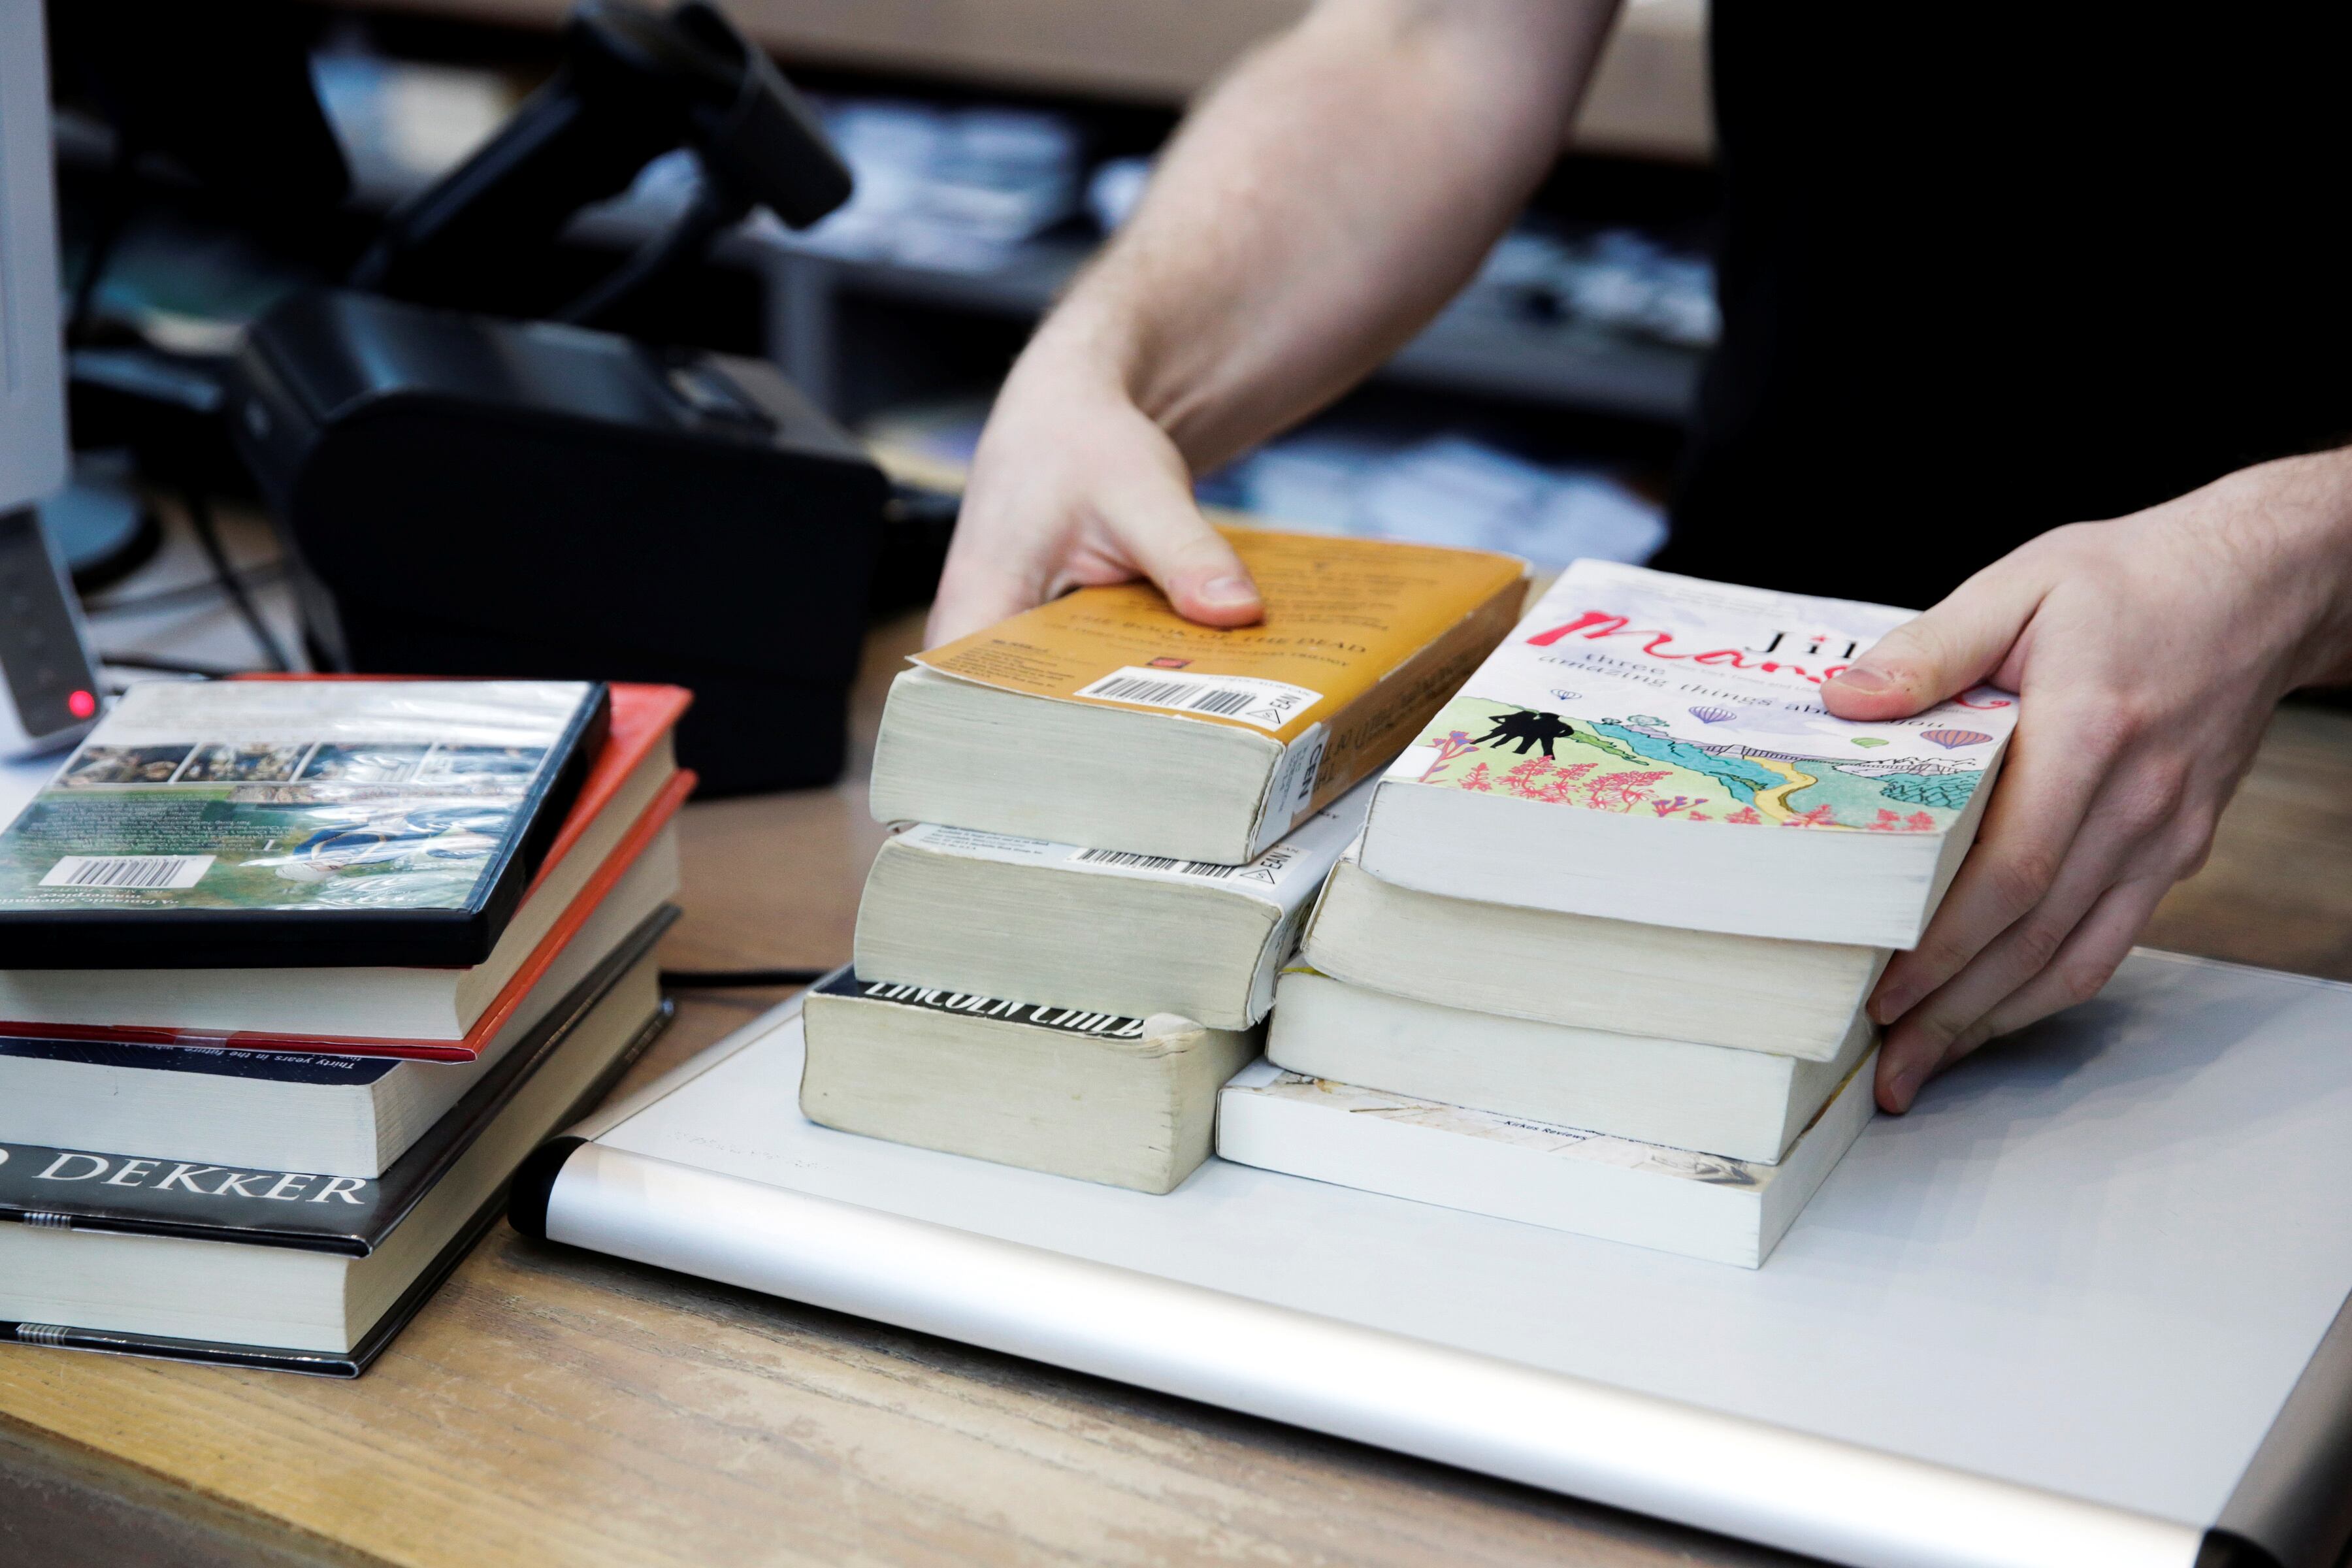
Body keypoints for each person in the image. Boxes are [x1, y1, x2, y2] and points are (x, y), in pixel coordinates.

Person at [925, 1, 2352, 1113]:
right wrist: (1108, 362)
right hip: (1740, 674)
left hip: (2286, 777)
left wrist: (2297, 556)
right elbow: (1434, 41)